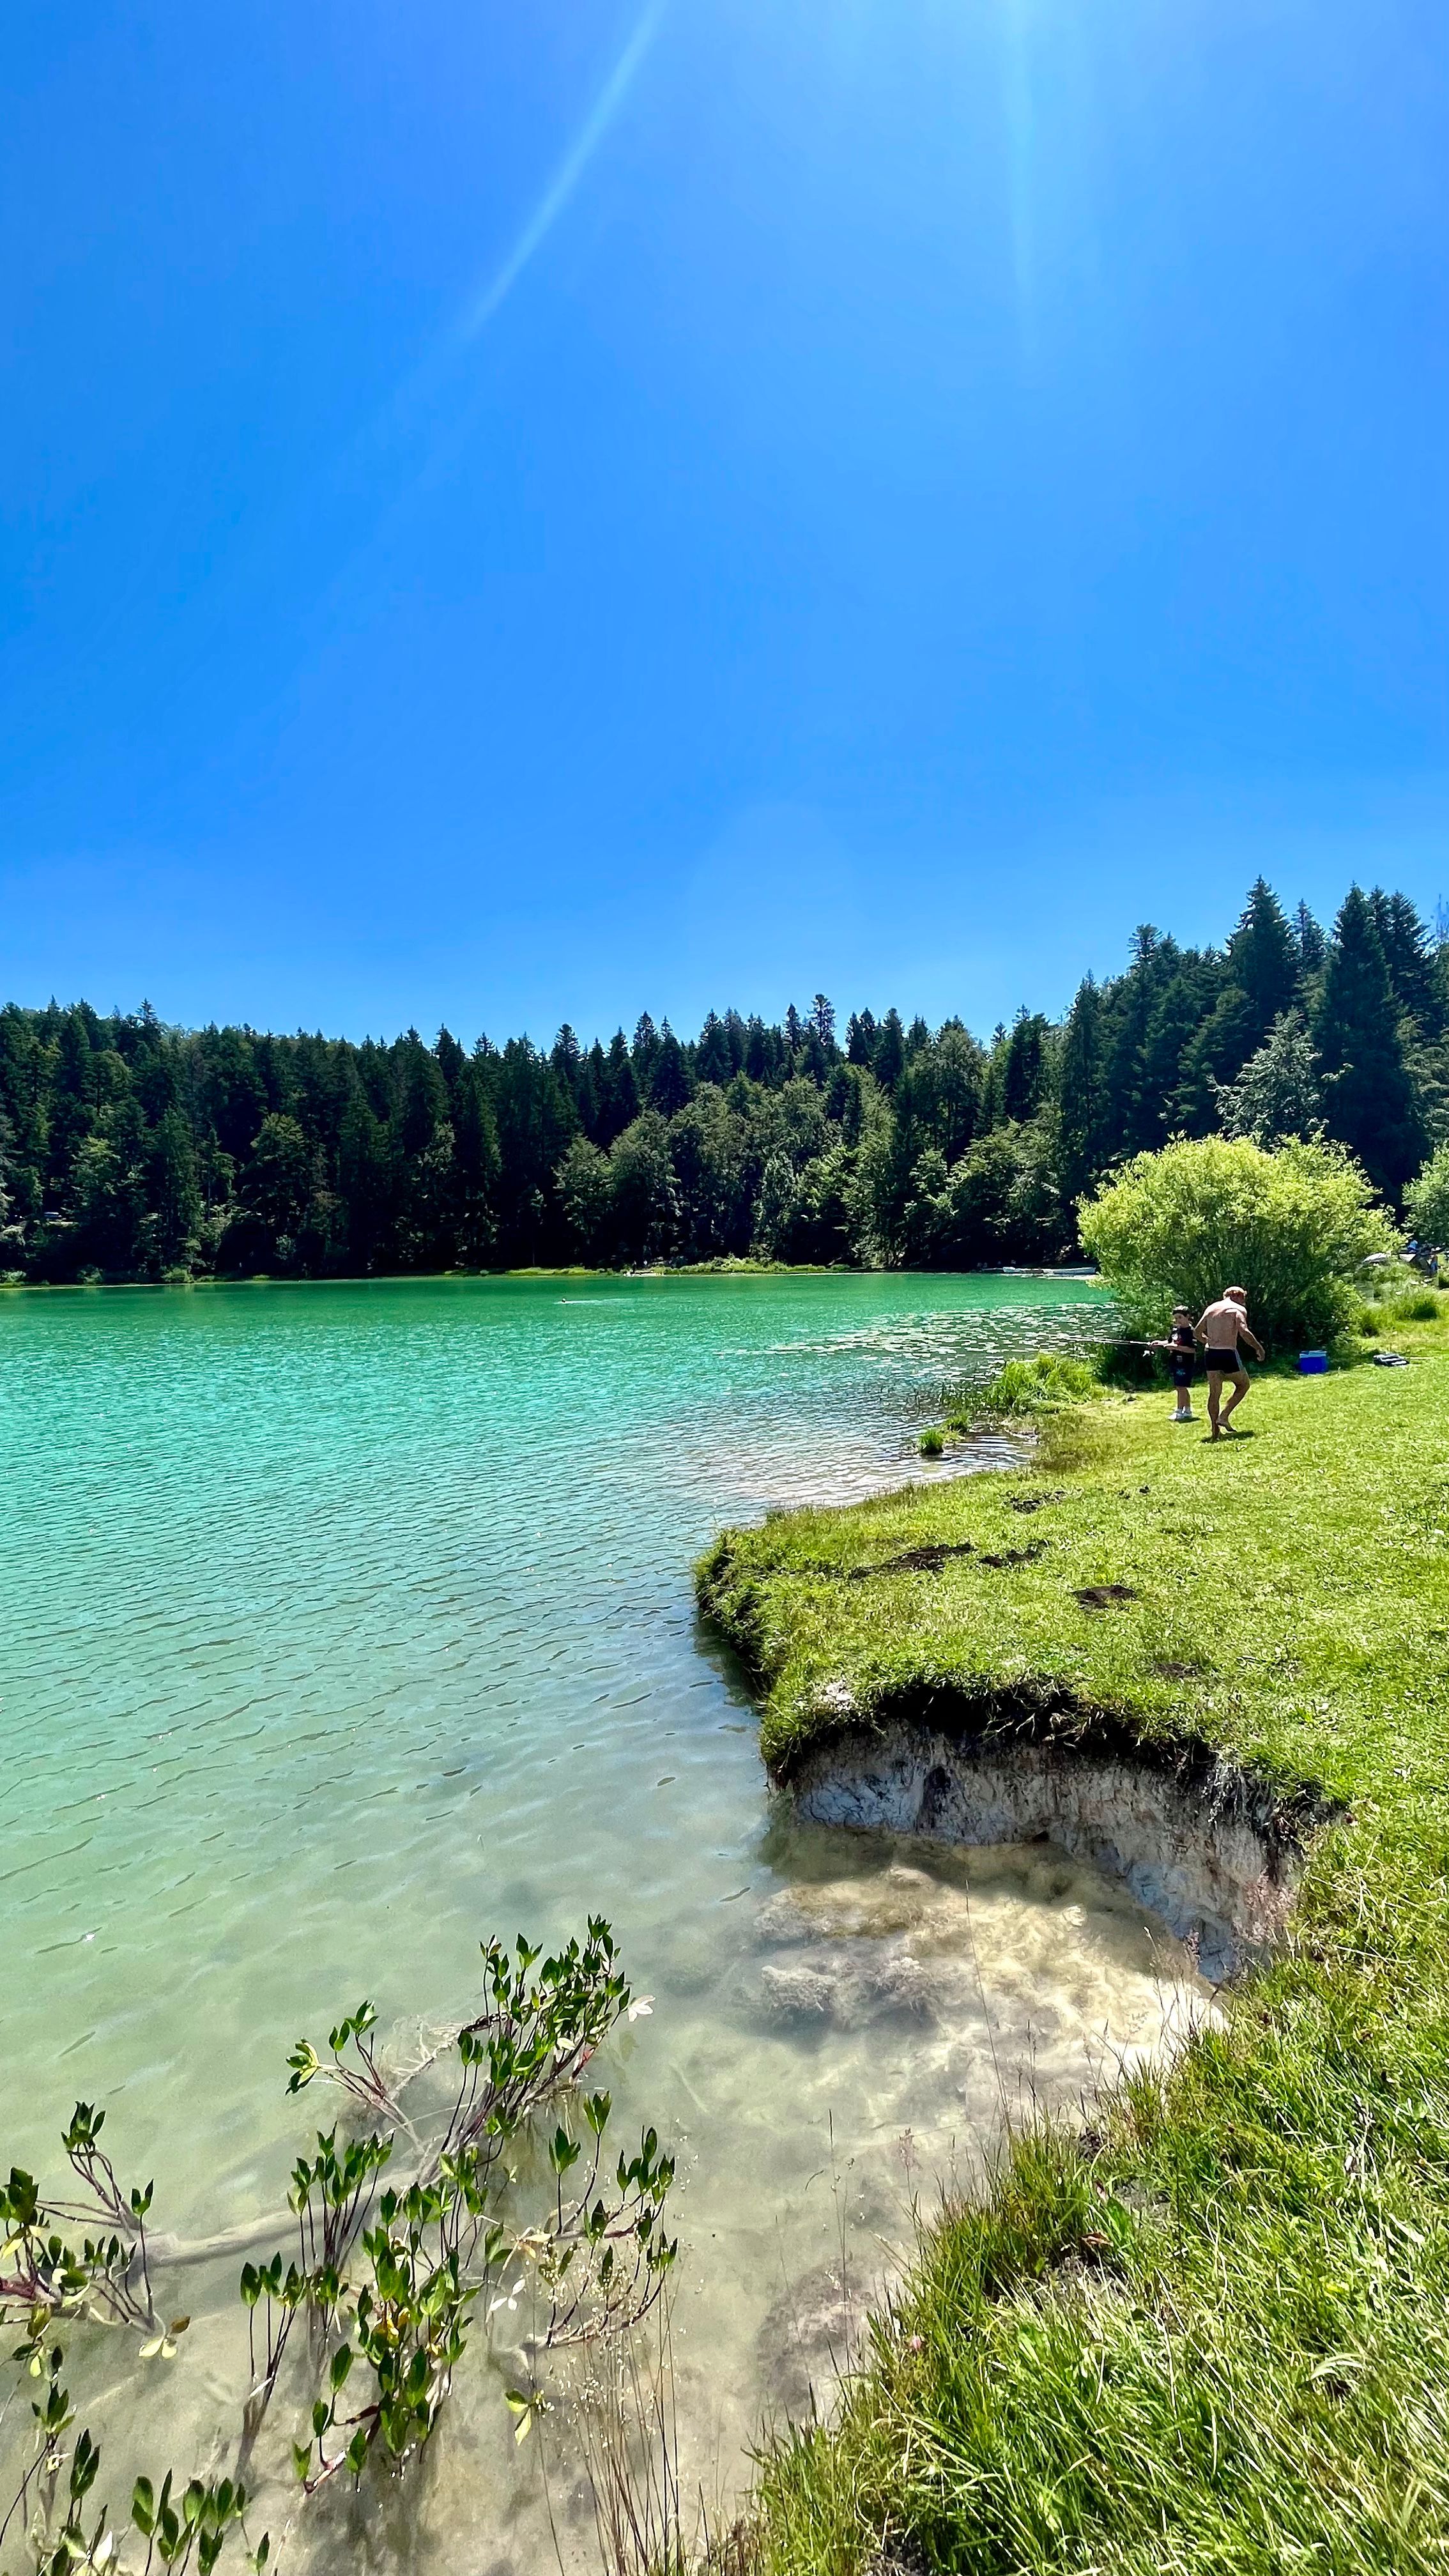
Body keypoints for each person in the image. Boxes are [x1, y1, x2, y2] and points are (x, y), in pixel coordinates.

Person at [1195, 1287, 1264, 1440]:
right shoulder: (1237, 1309)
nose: (1244, 1302)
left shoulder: (1211, 1308)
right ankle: (1224, 1416)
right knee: (1243, 1384)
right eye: (1243, 1298)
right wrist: (1258, 1348)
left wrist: (1208, 1341)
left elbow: (1197, 1332)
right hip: (1228, 1353)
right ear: (1238, 1296)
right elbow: (1244, 1331)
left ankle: (1215, 1433)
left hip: (1210, 1353)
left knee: (1214, 1393)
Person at [1151, 1306, 1199, 1423]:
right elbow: (1169, 1343)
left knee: (1181, 1387)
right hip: (1175, 1361)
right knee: (1180, 1386)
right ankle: (1187, 1411)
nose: (1178, 1320)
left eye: (1180, 1317)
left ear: (1188, 1317)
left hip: (1186, 1363)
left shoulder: (1192, 1332)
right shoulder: (1175, 1330)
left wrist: (1176, 1347)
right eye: (1176, 1318)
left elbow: (1192, 1350)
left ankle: (1179, 1411)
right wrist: (1159, 1343)